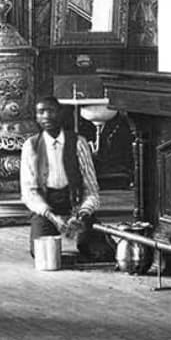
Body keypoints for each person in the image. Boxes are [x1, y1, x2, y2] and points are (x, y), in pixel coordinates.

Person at [20, 96, 103, 261]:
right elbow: (29, 192)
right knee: (42, 254)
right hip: (47, 208)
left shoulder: (78, 143)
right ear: (36, 117)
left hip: (75, 206)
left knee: (99, 253)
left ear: (61, 114)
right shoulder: (31, 146)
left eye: (51, 111)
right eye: (41, 112)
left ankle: (85, 242)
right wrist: (52, 217)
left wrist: (81, 214)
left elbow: (91, 189)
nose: (46, 116)